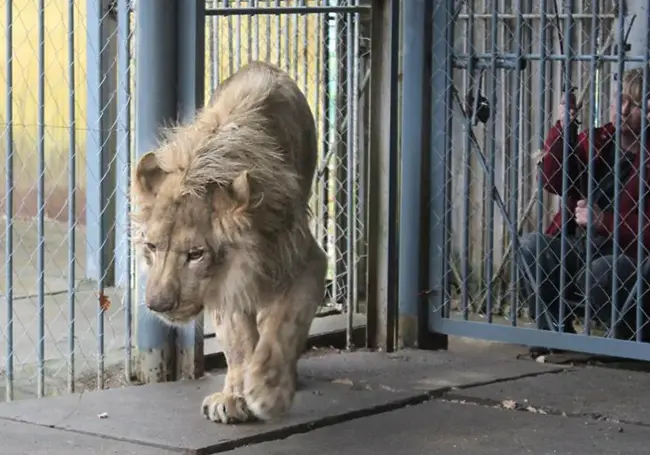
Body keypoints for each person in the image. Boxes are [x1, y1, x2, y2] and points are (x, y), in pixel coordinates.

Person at [518, 66, 650, 354]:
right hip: (582, 244)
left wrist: (605, 221)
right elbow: (552, 180)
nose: (622, 109)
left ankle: (626, 342)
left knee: (604, 271)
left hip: (630, 256)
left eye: (634, 103)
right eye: (619, 99)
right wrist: (563, 127)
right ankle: (553, 333)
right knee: (531, 246)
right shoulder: (599, 140)